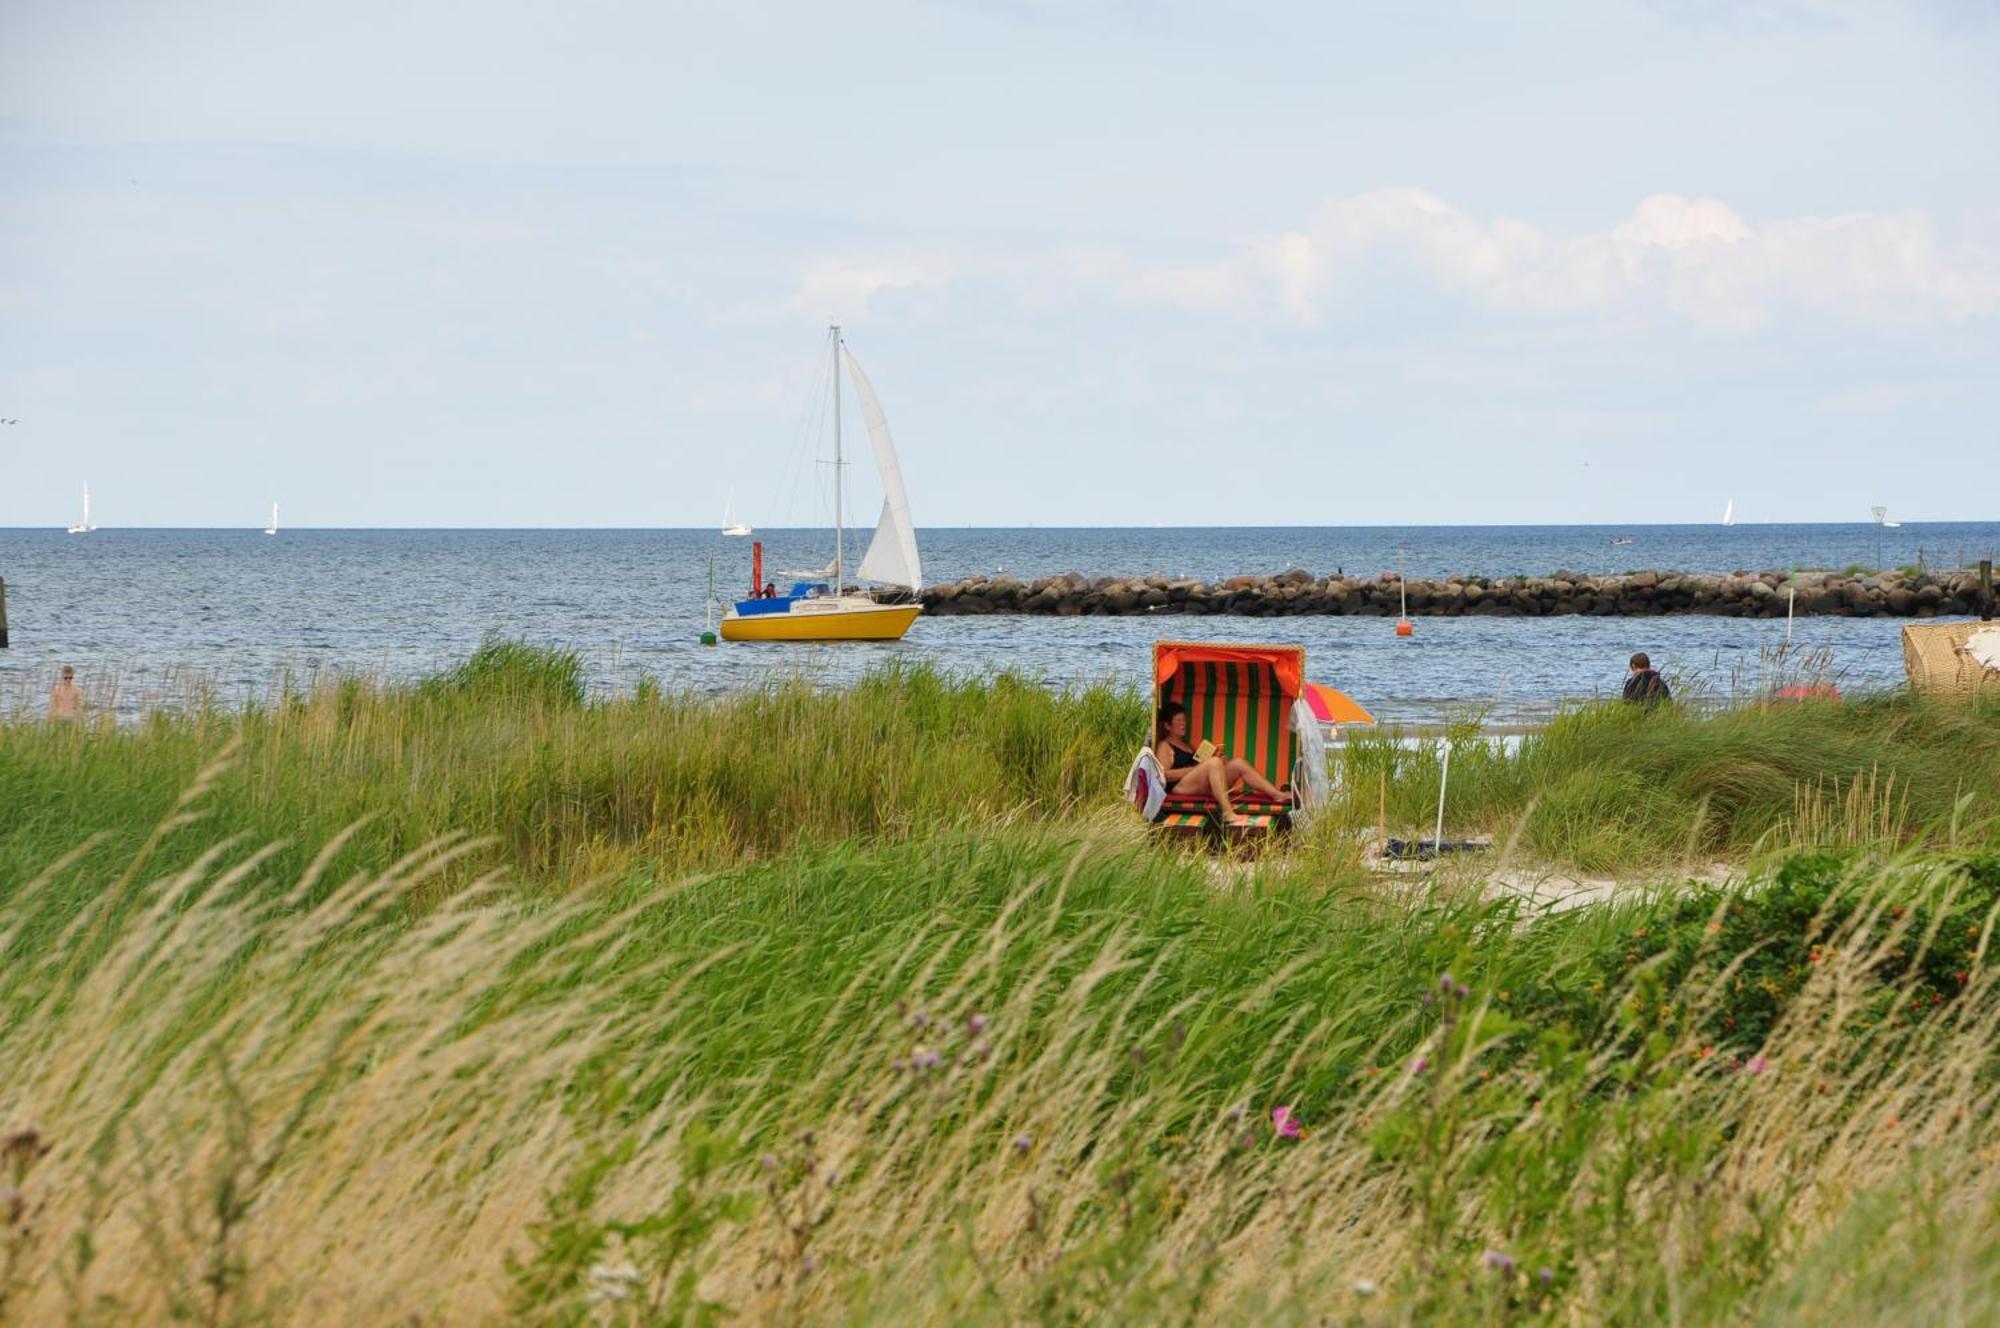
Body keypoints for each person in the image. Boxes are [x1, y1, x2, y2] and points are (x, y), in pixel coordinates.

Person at [1154, 699, 1283, 827]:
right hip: (1179, 789)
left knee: (1238, 763)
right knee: (1214, 763)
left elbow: (1198, 768)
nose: (1183, 724)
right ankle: (1227, 813)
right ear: (1167, 726)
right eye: (1178, 720)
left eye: (1184, 720)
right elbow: (1165, 775)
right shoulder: (1165, 746)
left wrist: (1219, 763)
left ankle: (1277, 795)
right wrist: (1205, 765)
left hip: (1197, 784)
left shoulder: (1186, 745)